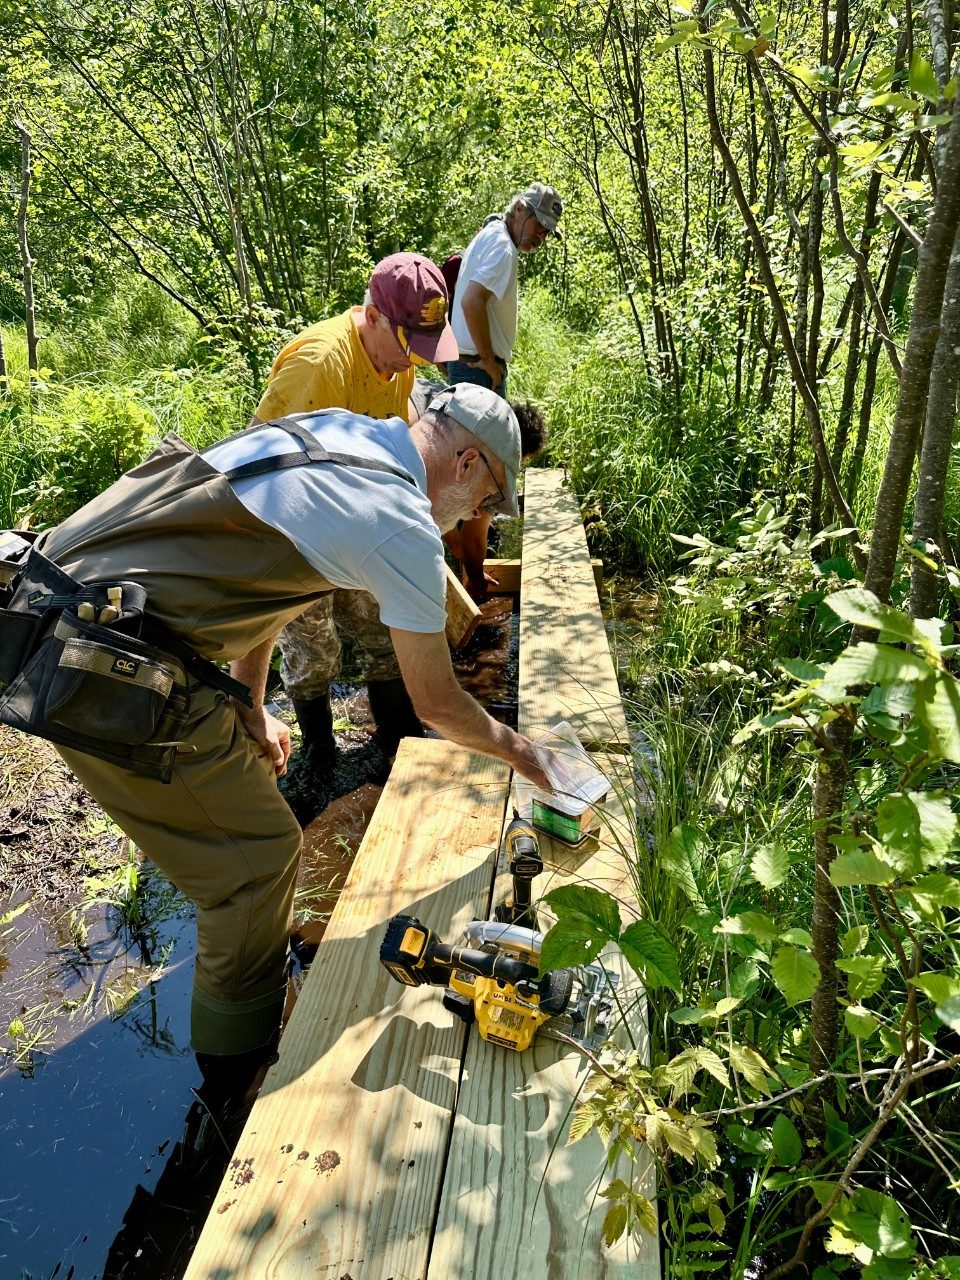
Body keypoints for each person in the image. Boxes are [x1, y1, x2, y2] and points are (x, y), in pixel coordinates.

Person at [28, 382, 550, 1109]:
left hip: (54, 595)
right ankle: (234, 1082)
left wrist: (245, 700)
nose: (479, 519)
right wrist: (526, 755)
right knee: (256, 865)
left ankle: (240, 1003)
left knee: (248, 844)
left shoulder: (338, 433)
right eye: (489, 501)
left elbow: (278, 577)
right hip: (101, 662)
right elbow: (438, 703)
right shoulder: (399, 519)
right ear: (466, 462)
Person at [250, 252, 458, 768]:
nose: (414, 363)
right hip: (296, 532)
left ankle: (398, 739)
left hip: (360, 519)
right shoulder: (320, 366)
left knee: (381, 626)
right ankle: (319, 756)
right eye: (410, 346)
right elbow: (265, 469)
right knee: (313, 646)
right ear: (372, 317)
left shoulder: (397, 365)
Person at [447, 182, 563, 396]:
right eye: (539, 225)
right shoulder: (503, 247)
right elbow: (471, 301)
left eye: (547, 233)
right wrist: (488, 362)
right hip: (478, 372)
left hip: (466, 366)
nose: (541, 237)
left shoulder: (490, 234)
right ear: (519, 209)